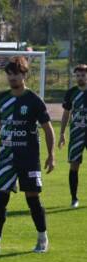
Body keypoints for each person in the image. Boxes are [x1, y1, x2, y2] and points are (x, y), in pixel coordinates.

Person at [0, 56, 55, 255]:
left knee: (32, 199)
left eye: (16, 73)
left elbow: (48, 129)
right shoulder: (1, 99)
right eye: (9, 74)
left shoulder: (34, 100)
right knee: (0, 199)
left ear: (24, 74)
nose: (12, 77)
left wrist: (51, 155)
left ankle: (42, 238)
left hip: (28, 157)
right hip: (6, 157)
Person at [58, 64, 87, 208]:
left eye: (83, 75)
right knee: (74, 165)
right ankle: (74, 198)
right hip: (76, 133)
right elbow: (66, 114)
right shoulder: (71, 93)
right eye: (78, 76)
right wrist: (62, 133)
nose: (80, 78)